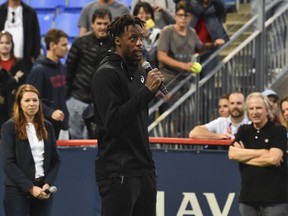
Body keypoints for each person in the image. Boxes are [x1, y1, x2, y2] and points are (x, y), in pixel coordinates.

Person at [91, 14, 165, 215]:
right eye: (133, 38)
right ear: (117, 40)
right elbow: (112, 123)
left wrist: (146, 91)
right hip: (118, 171)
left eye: (141, 38)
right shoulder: (106, 73)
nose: (139, 43)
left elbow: (138, 119)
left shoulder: (141, 72)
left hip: (144, 168)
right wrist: (147, 92)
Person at [1, 84, 60, 216]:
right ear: (19, 104)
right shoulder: (9, 127)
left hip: (43, 191)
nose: (32, 104)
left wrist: (47, 184)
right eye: (27, 100)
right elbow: (8, 163)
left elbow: (55, 161)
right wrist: (30, 187)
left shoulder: (48, 127)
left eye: (35, 100)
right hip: (17, 192)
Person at [228, 92, 288, 215]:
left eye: (259, 108)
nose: (255, 112)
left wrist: (243, 156)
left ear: (267, 111)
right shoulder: (243, 130)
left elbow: (273, 159)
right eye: (251, 108)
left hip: (275, 199)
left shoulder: (279, 130)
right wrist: (262, 152)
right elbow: (232, 154)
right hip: (247, 199)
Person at [66, 8, 113, 139]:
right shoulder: (80, 42)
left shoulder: (117, 44)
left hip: (103, 103)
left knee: (98, 144)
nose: (102, 27)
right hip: (77, 99)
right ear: (92, 24)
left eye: (106, 23)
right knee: (74, 144)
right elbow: (69, 70)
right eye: (99, 23)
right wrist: (66, 97)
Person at [157, 0, 224, 87]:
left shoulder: (192, 32)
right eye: (180, 15)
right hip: (169, 80)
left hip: (186, 79)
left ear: (190, 17)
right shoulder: (167, 31)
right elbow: (161, 56)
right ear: (175, 16)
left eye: (186, 15)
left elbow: (200, 47)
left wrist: (214, 44)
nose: (183, 18)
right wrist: (184, 66)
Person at [26, 29, 69, 140]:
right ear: (52, 45)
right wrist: (50, 112)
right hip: (44, 127)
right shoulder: (38, 71)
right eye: (63, 45)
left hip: (61, 125)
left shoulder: (62, 68)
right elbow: (29, 100)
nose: (67, 48)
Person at [190, 0, 229, 78]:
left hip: (210, 49)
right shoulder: (192, 7)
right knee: (192, 81)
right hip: (192, 50)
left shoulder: (215, 9)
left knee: (208, 78)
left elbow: (222, 7)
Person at [0, 0, 41, 73]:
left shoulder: (30, 13)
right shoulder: (1, 11)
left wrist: (35, 55)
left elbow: (36, 36)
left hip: (24, 61)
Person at [132, 1, 161, 68]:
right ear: (135, 16)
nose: (144, 16)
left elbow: (151, 57)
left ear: (152, 15)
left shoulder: (158, 33)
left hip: (153, 68)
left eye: (147, 13)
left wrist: (147, 37)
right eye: (140, 13)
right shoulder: (131, 33)